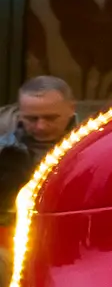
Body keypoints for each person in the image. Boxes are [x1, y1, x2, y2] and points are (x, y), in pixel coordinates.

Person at [0, 76, 72, 211]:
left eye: (51, 118)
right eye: (31, 119)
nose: (41, 127)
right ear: (20, 113)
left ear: (71, 109)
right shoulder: (3, 150)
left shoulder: (93, 145)